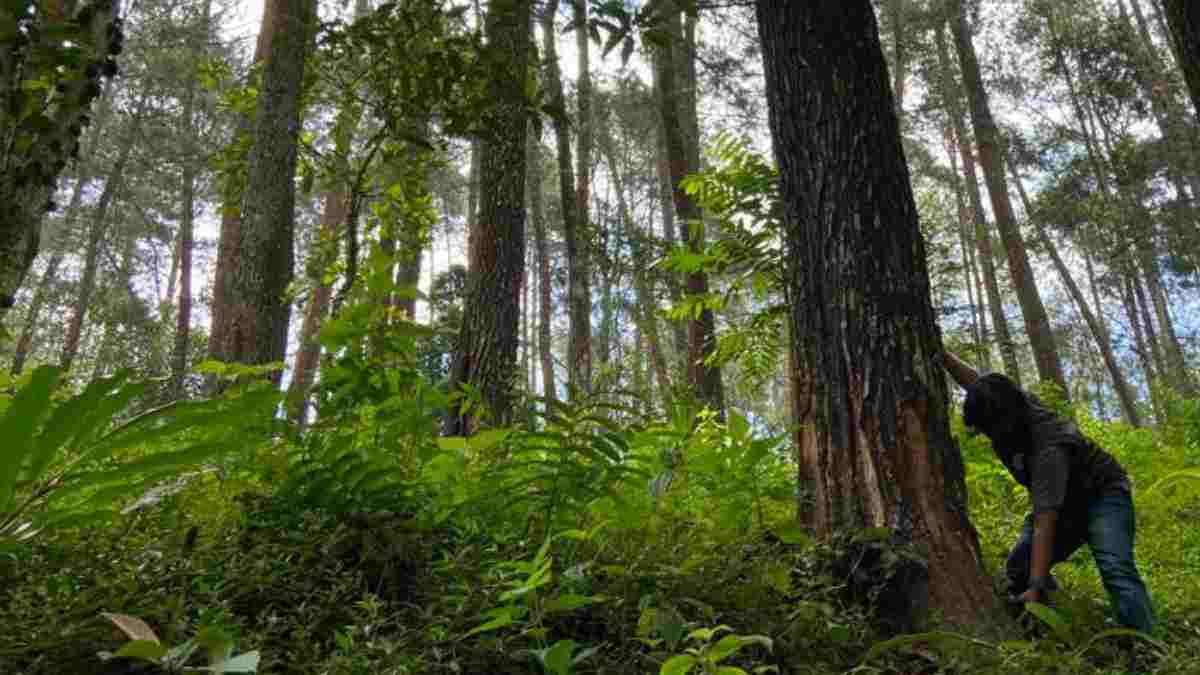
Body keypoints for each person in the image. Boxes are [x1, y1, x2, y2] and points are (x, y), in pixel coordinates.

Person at [942, 351, 1155, 634]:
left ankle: (1144, 643)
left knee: (1116, 569)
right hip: (1064, 503)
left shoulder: (1047, 448)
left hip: (1103, 496)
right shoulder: (1008, 401)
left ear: (1000, 422)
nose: (985, 435)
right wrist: (941, 352)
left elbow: (1045, 523)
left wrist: (1036, 584)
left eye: (985, 429)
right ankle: (1052, 613)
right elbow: (977, 382)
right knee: (1019, 565)